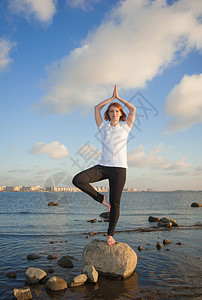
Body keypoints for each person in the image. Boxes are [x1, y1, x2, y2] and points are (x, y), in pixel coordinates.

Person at [72, 85, 136, 245]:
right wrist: (110, 98)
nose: (114, 113)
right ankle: (101, 199)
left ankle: (110, 235)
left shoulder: (125, 128)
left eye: (117, 111)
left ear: (121, 114)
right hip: (103, 167)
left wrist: (119, 98)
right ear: (108, 114)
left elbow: (133, 109)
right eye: (111, 111)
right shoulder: (103, 128)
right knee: (78, 180)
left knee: (115, 204)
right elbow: (96, 108)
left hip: (119, 169)